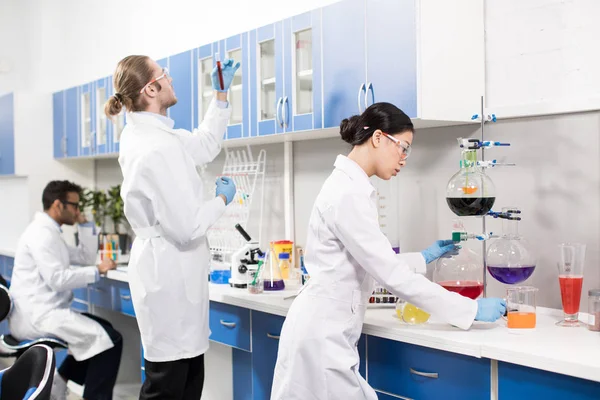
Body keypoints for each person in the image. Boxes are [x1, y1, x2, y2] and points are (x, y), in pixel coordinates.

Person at [271, 103, 506, 400]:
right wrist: (468, 310)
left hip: (324, 331)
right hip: (322, 337)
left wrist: (422, 258)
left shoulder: (350, 186)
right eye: (404, 148)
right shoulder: (348, 194)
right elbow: (390, 274)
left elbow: (366, 260)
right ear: (379, 138)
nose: (404, 159)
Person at [104, 55, 239, 399]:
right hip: (168, 275)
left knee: (185, 378)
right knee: (168, 386)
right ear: (151, 88)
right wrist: (222, 201)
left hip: (173, 273)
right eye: (164, 74)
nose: (170, 78)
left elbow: (205, 145)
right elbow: (187, 228)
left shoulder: (156, 135)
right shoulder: (156, 147)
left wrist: (220, 96)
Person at [8, 180, 120, 400]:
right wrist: (97, 270)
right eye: (75, 206)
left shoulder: (50, 233)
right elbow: (57, 279)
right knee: (110, 341)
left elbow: (83, 257)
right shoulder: (42, 234)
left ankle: (60, 379)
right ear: (58, 205)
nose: (78, 211)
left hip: (45, 311)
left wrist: (85, 224)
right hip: (39, 317)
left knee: (104, 329)